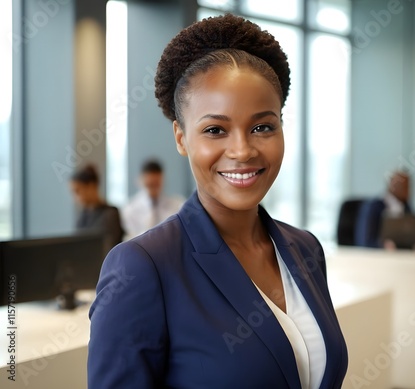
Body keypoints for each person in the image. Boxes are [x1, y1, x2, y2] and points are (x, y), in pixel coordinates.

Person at [88, 14, 347, 389]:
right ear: (180, 137)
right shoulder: (142, 268)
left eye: (262, 126)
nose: (242, 151)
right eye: (215, 130)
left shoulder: (305, 248)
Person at [121, 159, 185, 239]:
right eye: (150, 185)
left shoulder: (177, 205)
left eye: (156, 184)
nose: (153, 189)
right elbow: (131, 237)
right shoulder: (129, 209)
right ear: (140, 180)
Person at [70, 164, 124, 254]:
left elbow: (108, 249)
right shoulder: (83, 215)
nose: (75, 198)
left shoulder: (110, 214)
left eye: (77, 191)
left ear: (91, 186)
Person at [355, 170, 411, 248]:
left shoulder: (406, 207)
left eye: (408, 186)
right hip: (376, 256)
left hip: (400, 257)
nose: (408, 190)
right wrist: (382, 245)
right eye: (403, 186)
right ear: (391, 185)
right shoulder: (374, 207)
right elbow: (364, 240)